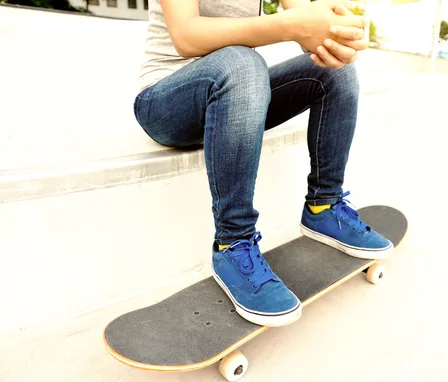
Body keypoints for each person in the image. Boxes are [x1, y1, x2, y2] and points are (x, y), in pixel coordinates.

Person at [134, 0, 392, 327]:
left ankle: (323, 207)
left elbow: (306, 21)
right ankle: (233, 242)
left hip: (240, 93)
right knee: (243, 61)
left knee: (333, 71)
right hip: (167, 103)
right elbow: (187, 36)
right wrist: (289, 24)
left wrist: (337, 36)